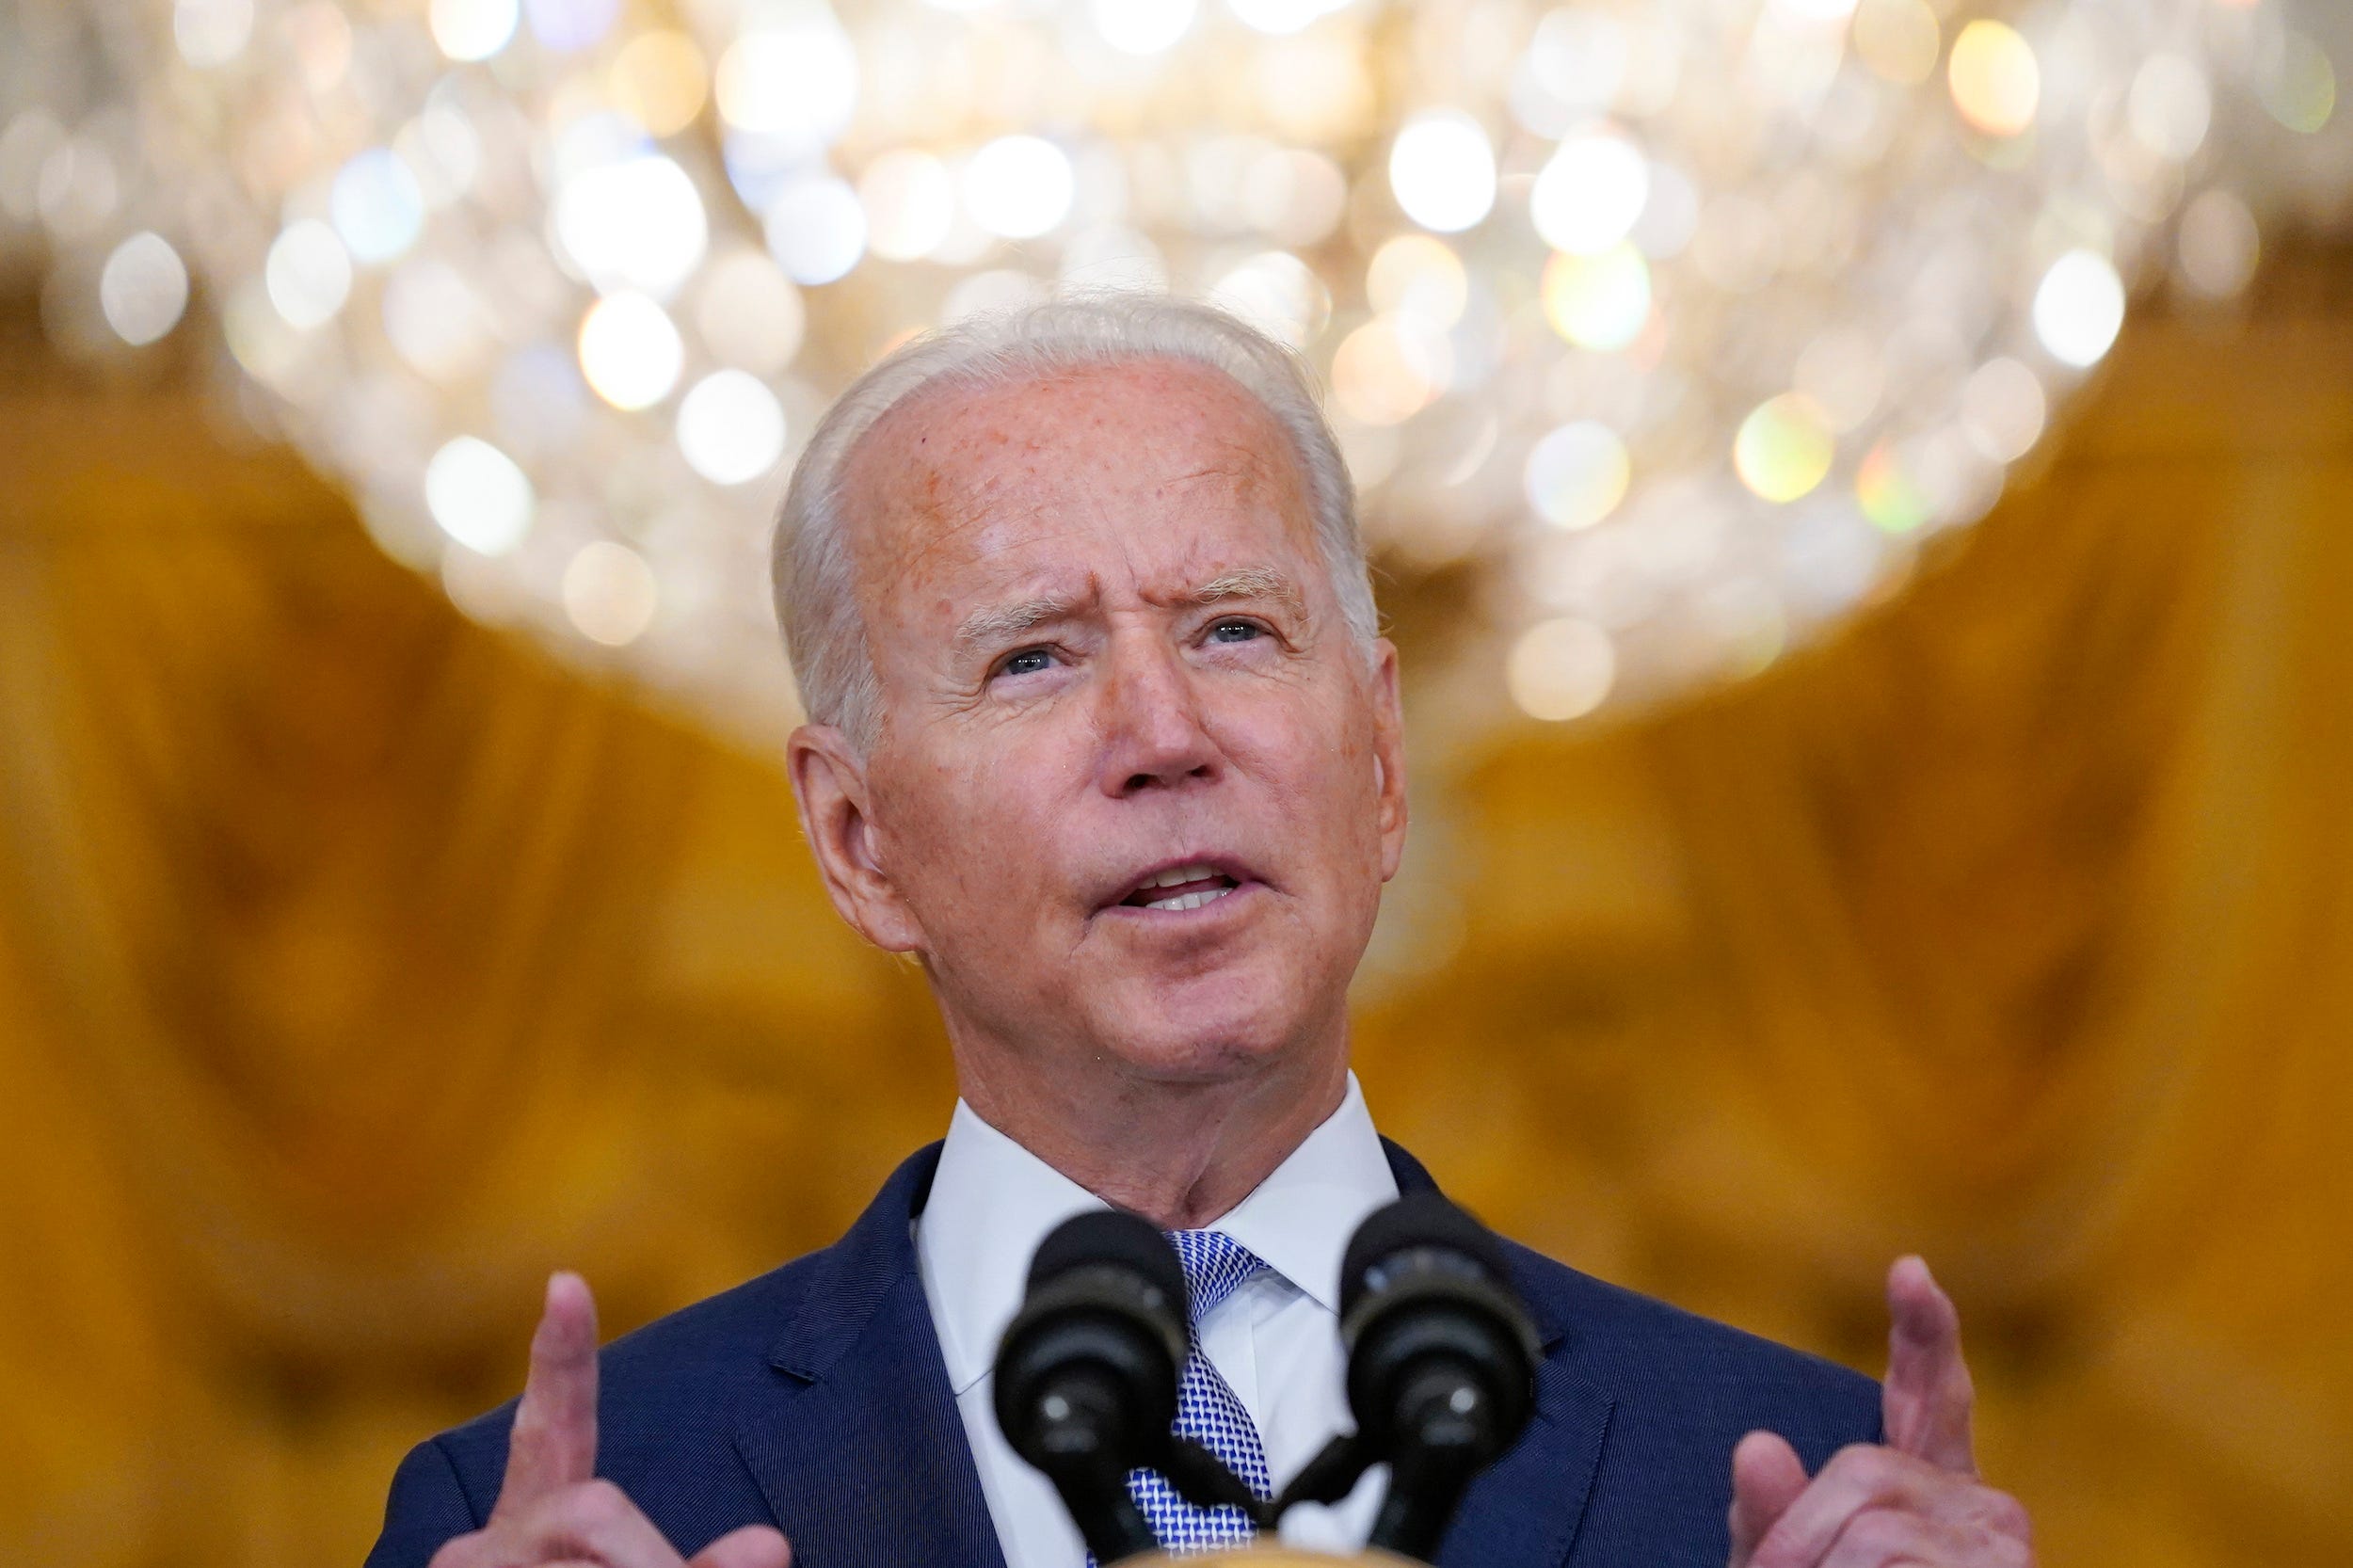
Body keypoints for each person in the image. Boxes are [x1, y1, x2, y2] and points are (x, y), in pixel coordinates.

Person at [365, 297, 2032, 1568]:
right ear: (857, 838)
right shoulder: (599, 1501)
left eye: (1234, 629)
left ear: (1380, 762)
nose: (1164, 731)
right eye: (1034, 657)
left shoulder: (1786, 1483)